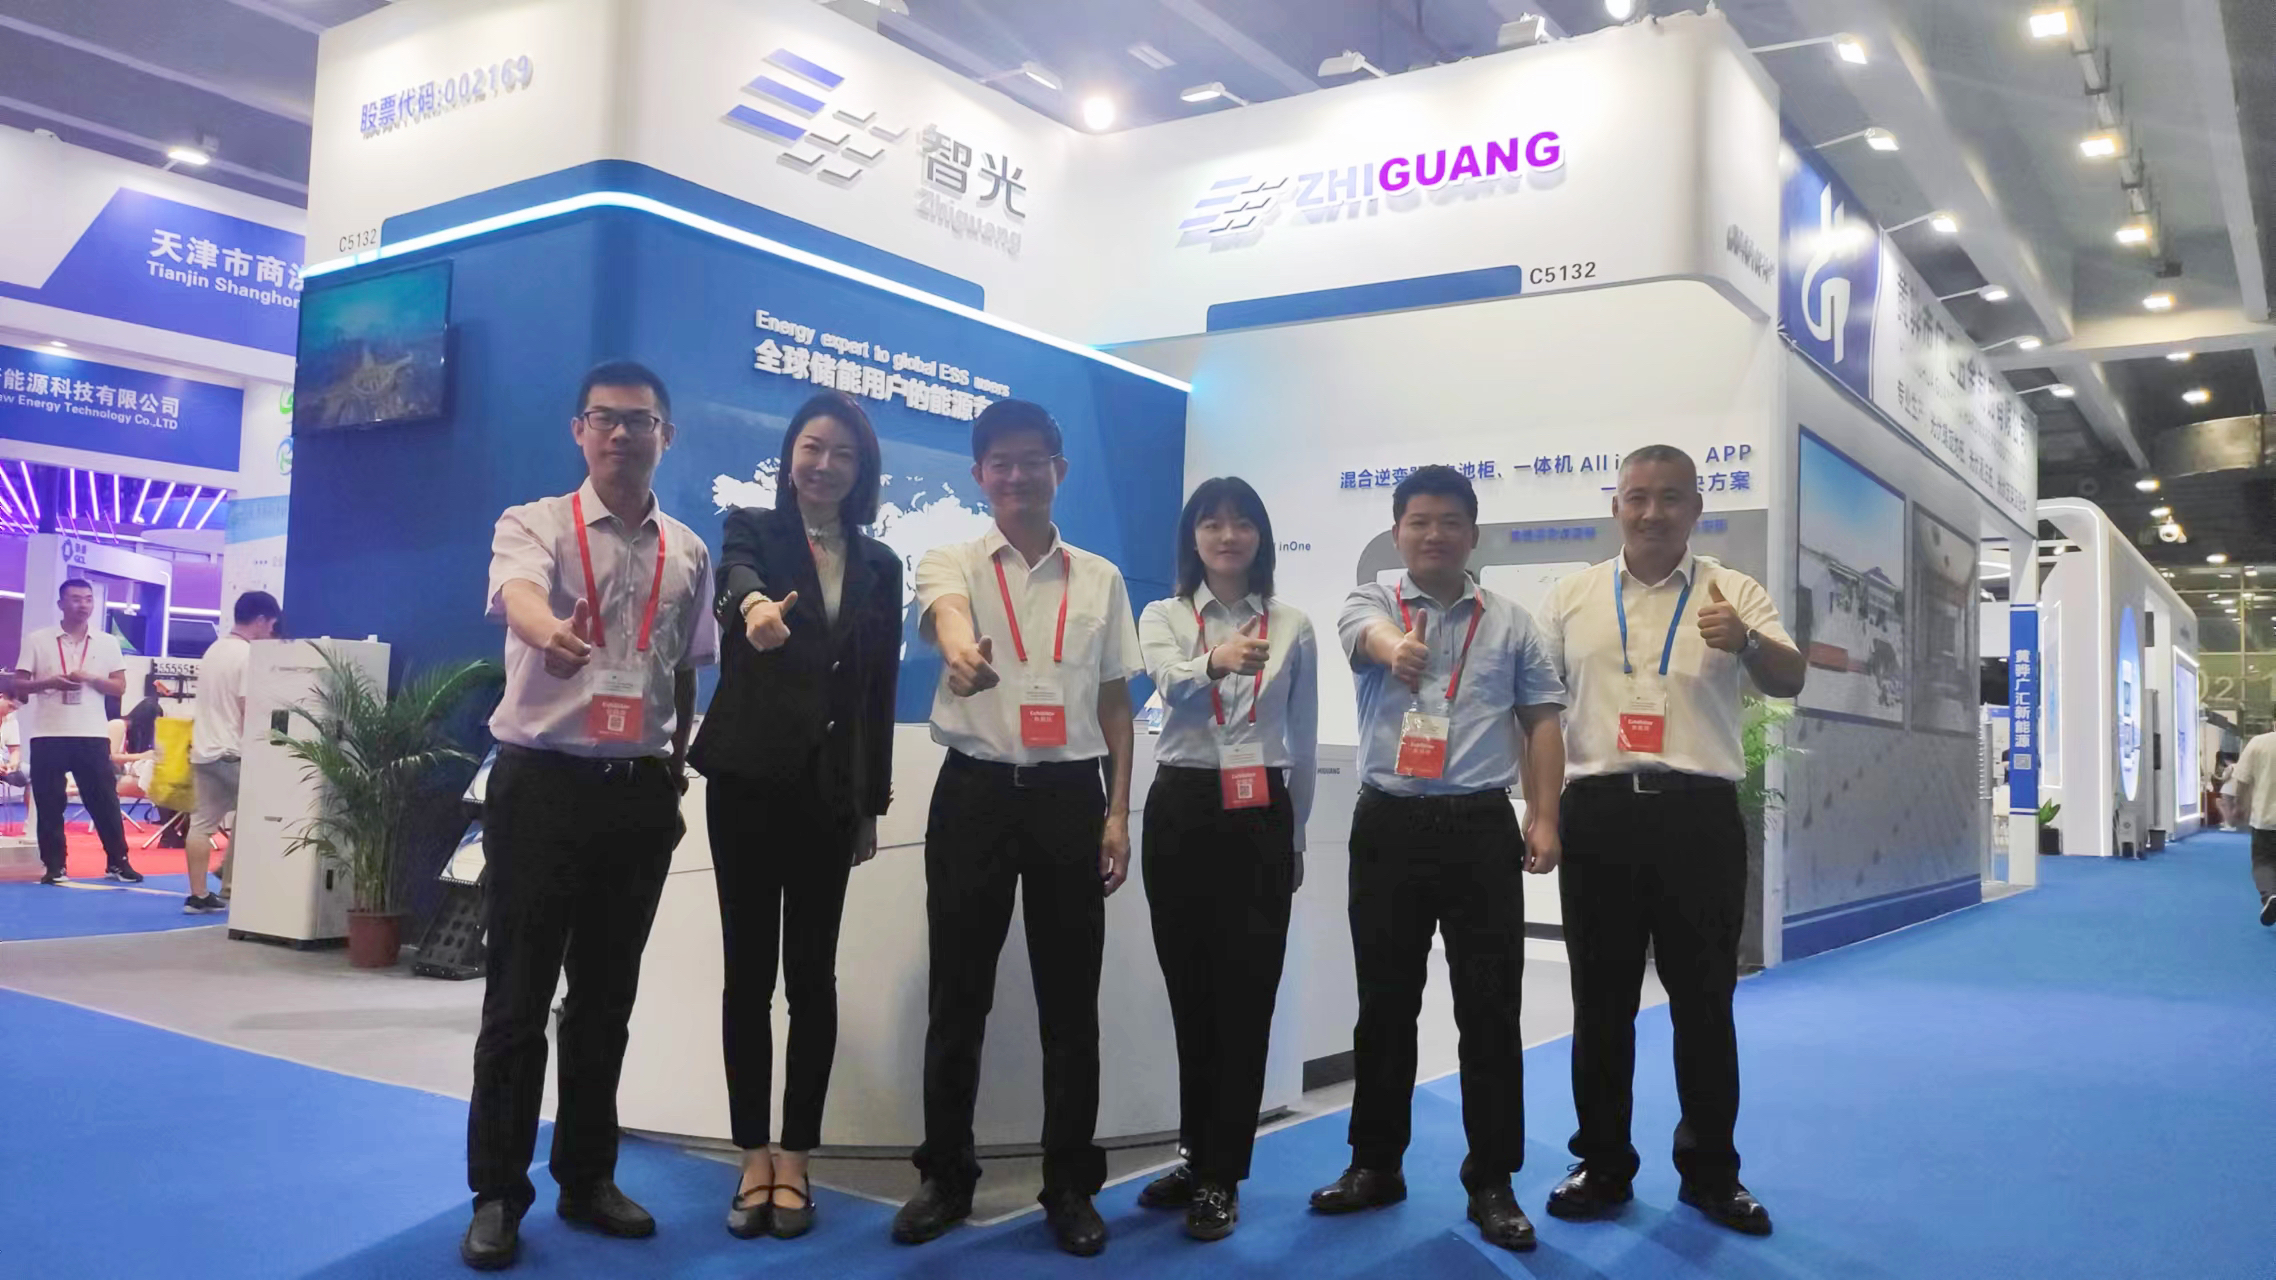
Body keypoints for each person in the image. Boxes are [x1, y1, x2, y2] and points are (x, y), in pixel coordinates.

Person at [461, 360, 718, 1271]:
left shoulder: (688, 551)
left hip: (636, 793)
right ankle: (498, 1193)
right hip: (542, 784)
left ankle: (587, 1175)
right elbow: (519, 595)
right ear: (579, 431)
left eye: (638, 421)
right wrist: (550, 634)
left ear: (665, 437)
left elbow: (684, 666)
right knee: (517, 999)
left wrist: (673, 765)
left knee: (606, 1001)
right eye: (603, 418)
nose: (620, 434)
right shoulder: (533, 522)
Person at [1535, 445, 1806, 1238]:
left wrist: (1747, 643)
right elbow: (1539, 714)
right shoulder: (1572, 597)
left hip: (1699, 817)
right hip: (1599, 814)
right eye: (1638, 497)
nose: (1652, 512)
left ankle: (1712, 1172)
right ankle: (1602, 1163)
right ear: (1616, 505)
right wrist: (1542, 813)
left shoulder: (1734, 591)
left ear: (1696, 507)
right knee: (1601, 1002)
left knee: (1704, 1001)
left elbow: (1790, 678)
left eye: (1671, 498)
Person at [893, 399, 1141, 1257]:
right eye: (1000, 462)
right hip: (975, 794)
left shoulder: (1101, 578)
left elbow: (1116, 704)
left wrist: (1117, 812)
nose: (1017, 475)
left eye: (1033, 460)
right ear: (979, 475)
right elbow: (946, 615)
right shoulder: (952, 559)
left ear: (1058, 470)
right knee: (958, 994)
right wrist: (961, 654)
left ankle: (1069, 1184)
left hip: (1071, 797)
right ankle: (945, 1175)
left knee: (1071, 1000)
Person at [1314, 465, 1566, 1253]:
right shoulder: (1370, 601)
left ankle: (1492, 1180)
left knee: (1489, 1010)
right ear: (1397, 532)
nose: (1434, 534)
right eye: (1419, 521)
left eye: (1450, 521)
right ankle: (1375, 1164)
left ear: (1472, 534)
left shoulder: (1512, 623)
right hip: (1388, 824)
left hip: (1479, 827)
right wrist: (1398, 649)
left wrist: (1545, 816)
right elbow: (1367, 637)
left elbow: (1542, 721)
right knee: (1384, 1004)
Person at [688, 391, 903, 1241]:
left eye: (843, 454)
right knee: (747, 976)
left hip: (828, 795)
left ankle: (798, 1158)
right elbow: (735, 581)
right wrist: (753, 611)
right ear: (789, 456)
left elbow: (877, 689)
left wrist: (871, 802)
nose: (825, 465)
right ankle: (752, 1155)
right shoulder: (750, 528)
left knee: (813, 979)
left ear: (862, 470)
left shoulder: (880, 563)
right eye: (813, 448)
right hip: (746, 783)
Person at [1133, 477, 1319, 1242]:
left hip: (1259, 812)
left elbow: (1302, 737)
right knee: (1191, 993)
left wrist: (1296, 835)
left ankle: (1222, 1174)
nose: (1228, 536)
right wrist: (1217, 660)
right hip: (1181, 808)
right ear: (1193, 538)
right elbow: (1167, 685)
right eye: (1211, 524)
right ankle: (1193, 1154)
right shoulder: (1164, 616)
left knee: (1246, 995)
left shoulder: (1294, 624)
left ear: (1261, 537)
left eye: (1242, 523)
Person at [14, 579, 139, 885]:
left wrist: (91, 678)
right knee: (49, 803)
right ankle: (55, 866)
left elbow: (119, 687)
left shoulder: (107, 642)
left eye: (87, 599)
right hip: (48, 732)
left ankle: (118, 862)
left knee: (104, 800)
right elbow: (19, 685)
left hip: (91, 733)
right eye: (75, 599)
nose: (83, 605)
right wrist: (50, 683)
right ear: (61, 604)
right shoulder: (38, 640)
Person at [186, 592, 282, 914]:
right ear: (261, 620)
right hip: (232, 751)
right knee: (267, 809)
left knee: (202, 824)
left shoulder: (214, 650)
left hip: (204, 749)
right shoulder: (249, 655)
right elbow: (248, 708)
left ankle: (199, 895)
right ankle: (232, 879)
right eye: (271, 624)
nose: (271, 631)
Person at [2228, 728, 2276, 925]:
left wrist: (2239, 805)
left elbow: (2242, 780)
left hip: (2265, 818)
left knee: (2263, 862)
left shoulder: (2258, 742)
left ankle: (2270, 895)